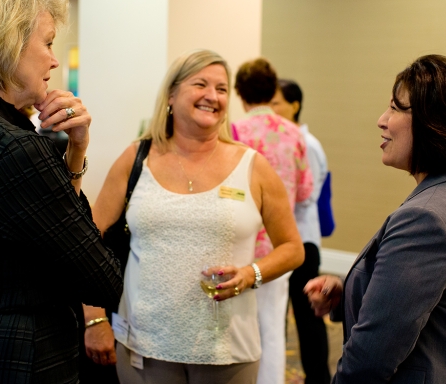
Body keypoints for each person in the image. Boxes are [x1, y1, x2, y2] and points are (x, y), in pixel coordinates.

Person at [89, 49, 305, 384]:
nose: (212, 96)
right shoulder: (136, 158)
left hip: (227, 351)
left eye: (221, 88)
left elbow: (293, 248)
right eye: (201, 84)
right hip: (144, 345)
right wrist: (94, 318)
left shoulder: (253, 165)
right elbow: (89, 239)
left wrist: (251, 274)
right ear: (172, 95)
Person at [0, 0, 123, 382]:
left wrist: (75, 153)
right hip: (18, 357)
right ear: (7, 41)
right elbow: (100, 279)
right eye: (48, 43)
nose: (53, 60)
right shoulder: (17, 150)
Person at [305, 54, 446, 384]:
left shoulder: (425, 218)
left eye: (395, 108)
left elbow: (370, 359)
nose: (382, 120)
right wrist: (352, 291)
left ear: (436, 121)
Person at [232, 58, 313, 384]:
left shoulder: (236, 131)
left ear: (240, 92)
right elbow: (306, 189)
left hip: (244, 241)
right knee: (274, 324)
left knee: (240, 325)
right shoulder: (294, 133)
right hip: (282, 242)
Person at [271, 79, 331, 384]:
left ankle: (318, 378)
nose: (271, 110)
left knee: (308, 316)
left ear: (294, 106)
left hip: (302, 241)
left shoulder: (306, 144)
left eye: (276, 103)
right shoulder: (281, 139)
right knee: (277, 314)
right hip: (281, 242)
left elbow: (308, 194)